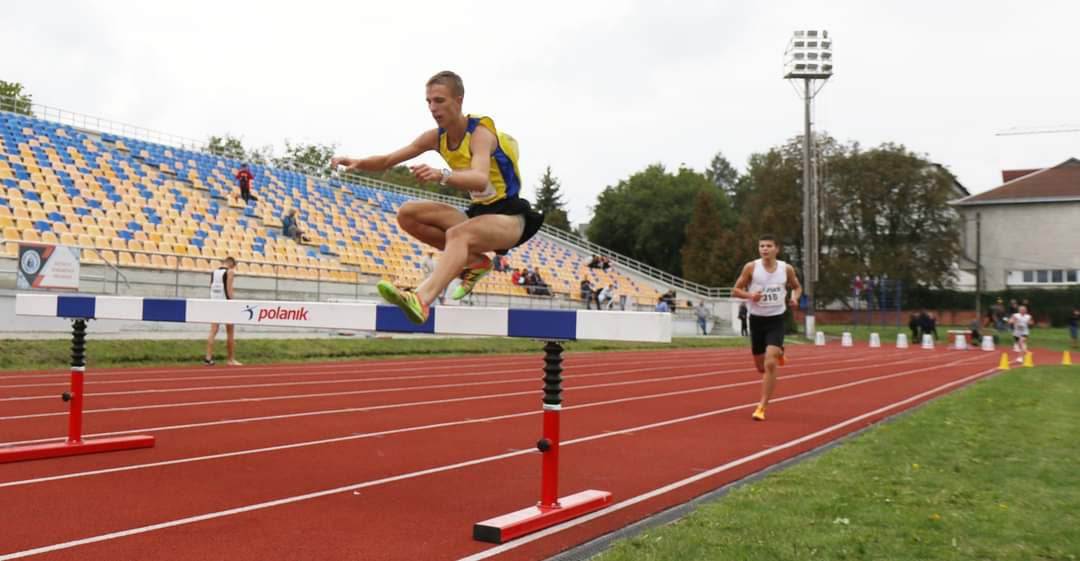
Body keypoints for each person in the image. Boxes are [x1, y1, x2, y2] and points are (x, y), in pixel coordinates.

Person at [331, 71, 544, 323]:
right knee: (407, 213)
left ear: (459, 101)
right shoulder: (435, 138)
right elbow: (388, 160)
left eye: (439, 100)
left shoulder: (480, 134)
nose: (433, 108)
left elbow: (480, 178)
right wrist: (357, 162)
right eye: (429, 102)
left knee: (458, 234)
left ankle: (421, 299)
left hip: (508, 217)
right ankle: (475, 262)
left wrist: (440, 174)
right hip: (477, 212)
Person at [732, 234, 802, 422]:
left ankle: (762, 406)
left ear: (776, 249)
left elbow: (796, 286)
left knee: (770, 363)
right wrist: (750, 296)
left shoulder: (785, 269)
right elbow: (735, 290)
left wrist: (795, 298)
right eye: (761, 246)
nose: (764, 249)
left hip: (776, 319)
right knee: (760, 367)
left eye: (768, 246)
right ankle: (779, 351)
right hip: (756, 320)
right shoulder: (751, 267)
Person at [205, 257, 240, 366]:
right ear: (232, 264)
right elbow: (229, 290)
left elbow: (210, 287)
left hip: (215, 304)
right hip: (226, 305)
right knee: (230, 333)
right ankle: (230, 359)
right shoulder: (230, 272)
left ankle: (208, 357)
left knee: (213, 331)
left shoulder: (214, 272)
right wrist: (232, 303)